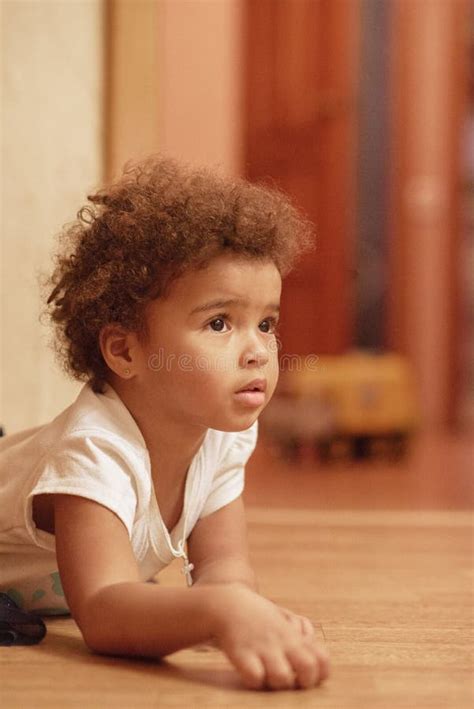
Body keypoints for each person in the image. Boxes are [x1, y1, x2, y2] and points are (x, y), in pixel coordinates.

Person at [0, 156, 329, 690]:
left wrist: (242, 610)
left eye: (266, 323)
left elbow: (223, 566)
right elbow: (105, 611)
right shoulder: (93, 453)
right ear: (125, 350)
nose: (258, 351)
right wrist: (215, 613)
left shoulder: (224, 434)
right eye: (220, 323)